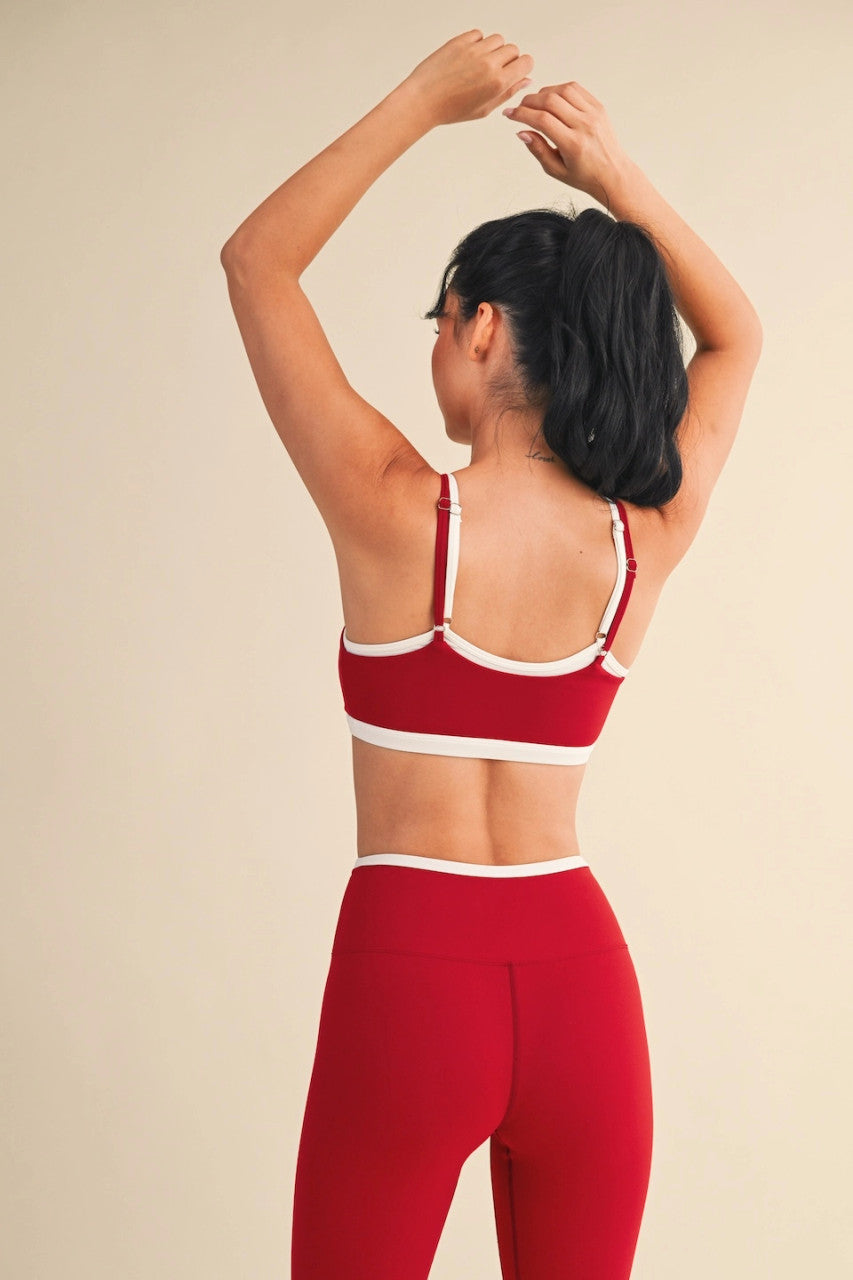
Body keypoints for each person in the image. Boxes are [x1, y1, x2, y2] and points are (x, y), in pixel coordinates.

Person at [220, 28, 762, 1280]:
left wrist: (423, 100)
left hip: (409, 972)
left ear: (477, 329)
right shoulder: (643, 537)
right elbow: (734, 337)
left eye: (439, 322)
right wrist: (615, 175)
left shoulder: (392, 510)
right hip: (581, 983)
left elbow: (258, 262)